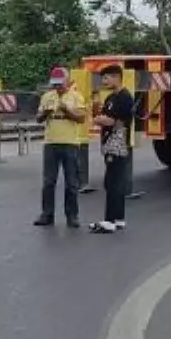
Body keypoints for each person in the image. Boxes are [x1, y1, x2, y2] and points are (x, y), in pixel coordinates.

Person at [34, 66, 86, 228]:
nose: (57, 87)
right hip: (50, 143)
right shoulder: (47, 97)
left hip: (70, 143)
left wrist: (66, 109)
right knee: (48, 181)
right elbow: (38, 119)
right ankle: (47, 214)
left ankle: (72, 215)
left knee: (71, 182)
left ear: (67, 81)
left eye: (60, 84)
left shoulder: (76, 96)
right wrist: (45, 114)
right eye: (55, 84)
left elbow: (81, 118)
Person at [90, 64, 134, 233]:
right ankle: (118, 219)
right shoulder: (110, 98)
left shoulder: (124, 97)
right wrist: (101, 117)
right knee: (113, 180)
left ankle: (109, 220)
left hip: (118, 141)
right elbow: (102, 116)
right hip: (108, 141)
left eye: (107, 77)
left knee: (112, 181)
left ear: (117, 77)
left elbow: (116, 121)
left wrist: (101, 120)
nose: (104, 81)